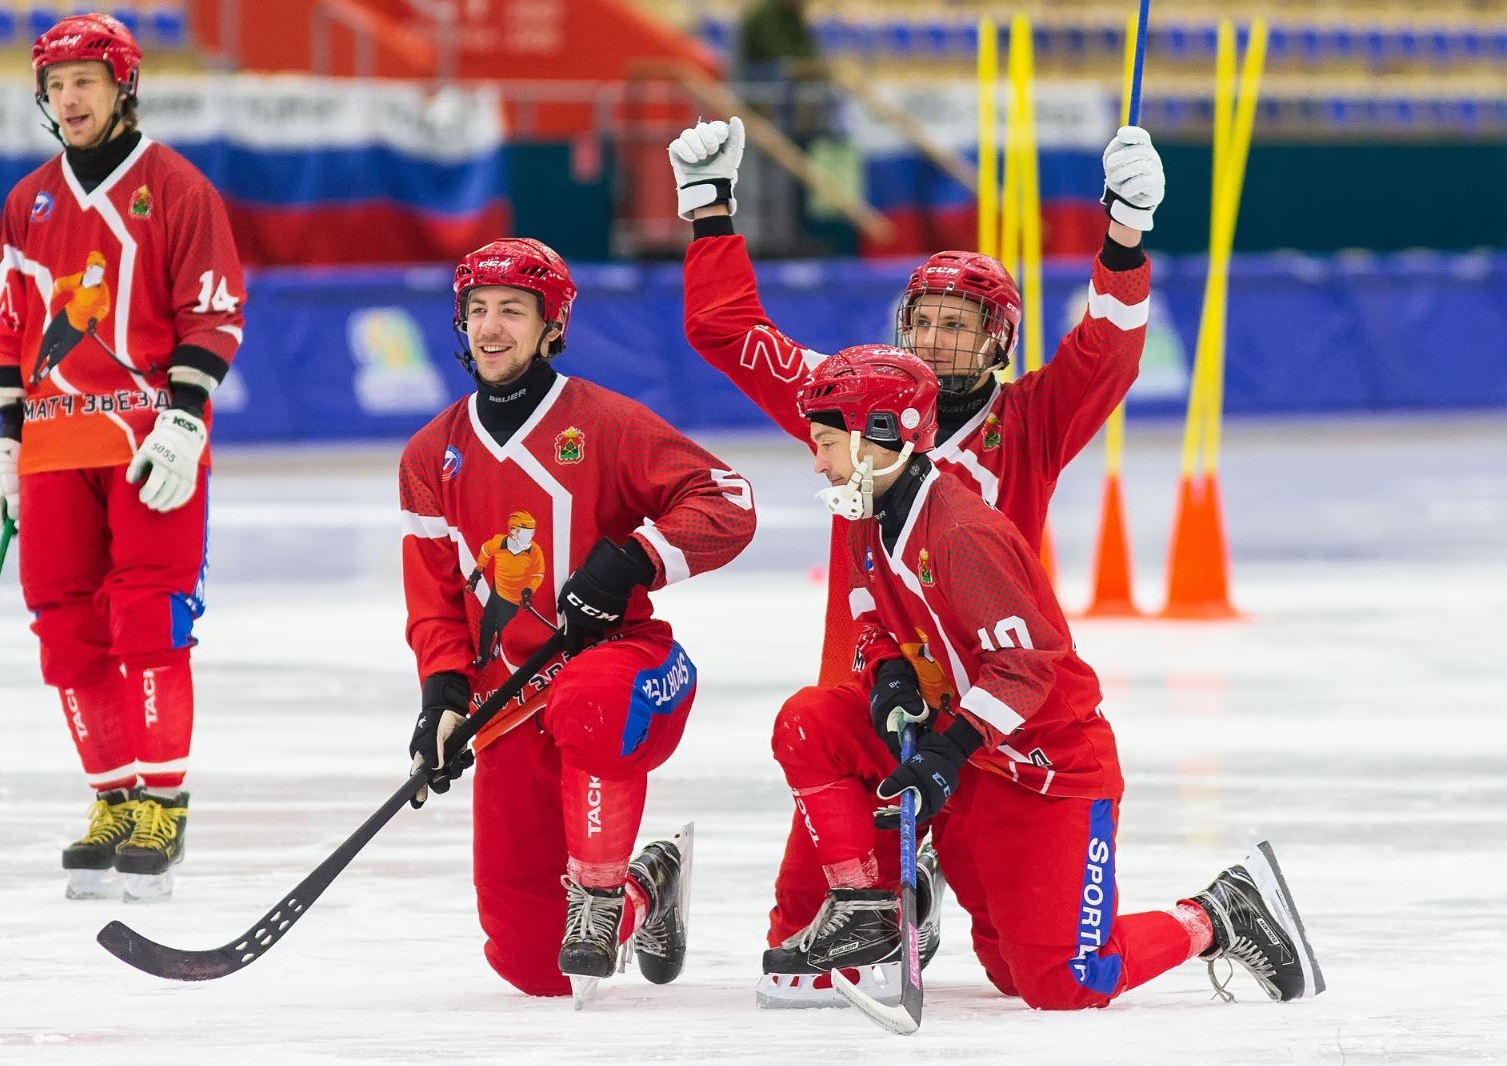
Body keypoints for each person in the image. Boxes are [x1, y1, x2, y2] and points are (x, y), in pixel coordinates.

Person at [669, 114, 1167, 1003]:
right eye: (924, 320)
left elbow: (1109, 351)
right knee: (799, 970)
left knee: (1040, 972)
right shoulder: (853, 398)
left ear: (998, 342)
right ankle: (894, 897)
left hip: (995, 703)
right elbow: (725, 329)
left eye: (959, 325)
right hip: (876, 677)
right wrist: (709, 210)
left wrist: (1124, 234)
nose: (936, 341)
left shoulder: (1030, 422)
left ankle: (928, 890)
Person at [778, 343, 1323, 1010]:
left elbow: (1028, 661)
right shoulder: (868, 514)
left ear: (884, 434)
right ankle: (866, 907)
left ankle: (1218, 915)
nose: (818, 460)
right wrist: (890, 668)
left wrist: (949, 751)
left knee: (1063, 982)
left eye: (828, 442)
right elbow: (872, 612)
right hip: (976, 760)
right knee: (809, 724)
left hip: (1047, 765)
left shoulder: (959, 536)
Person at [399, 237, 757, 997]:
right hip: (509, 704)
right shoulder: (431, 455)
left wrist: (634, 557)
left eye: (512, 312)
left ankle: (598, 895)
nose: (491, 329)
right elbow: (434, 601)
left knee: (588, 702)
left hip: (624, 675)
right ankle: (647, 883)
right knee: (534, 968)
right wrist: (444, 698)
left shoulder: (605, 423)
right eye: (478, 311)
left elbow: (730, 502)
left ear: (551, 325)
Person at [0, 13, 245, 901]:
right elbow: (16, 328)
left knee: (149, 619)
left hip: (147, 445)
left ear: (124, 86)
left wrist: (184, 418)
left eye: (85, 82)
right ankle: (111, 796)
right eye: (56, 87)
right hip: (57, 446)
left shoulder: (175, 187)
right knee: (65, 629)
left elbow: (213, 311)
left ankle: (161, 801)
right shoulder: (28, 200)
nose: (69, 100)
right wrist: (6, 443)